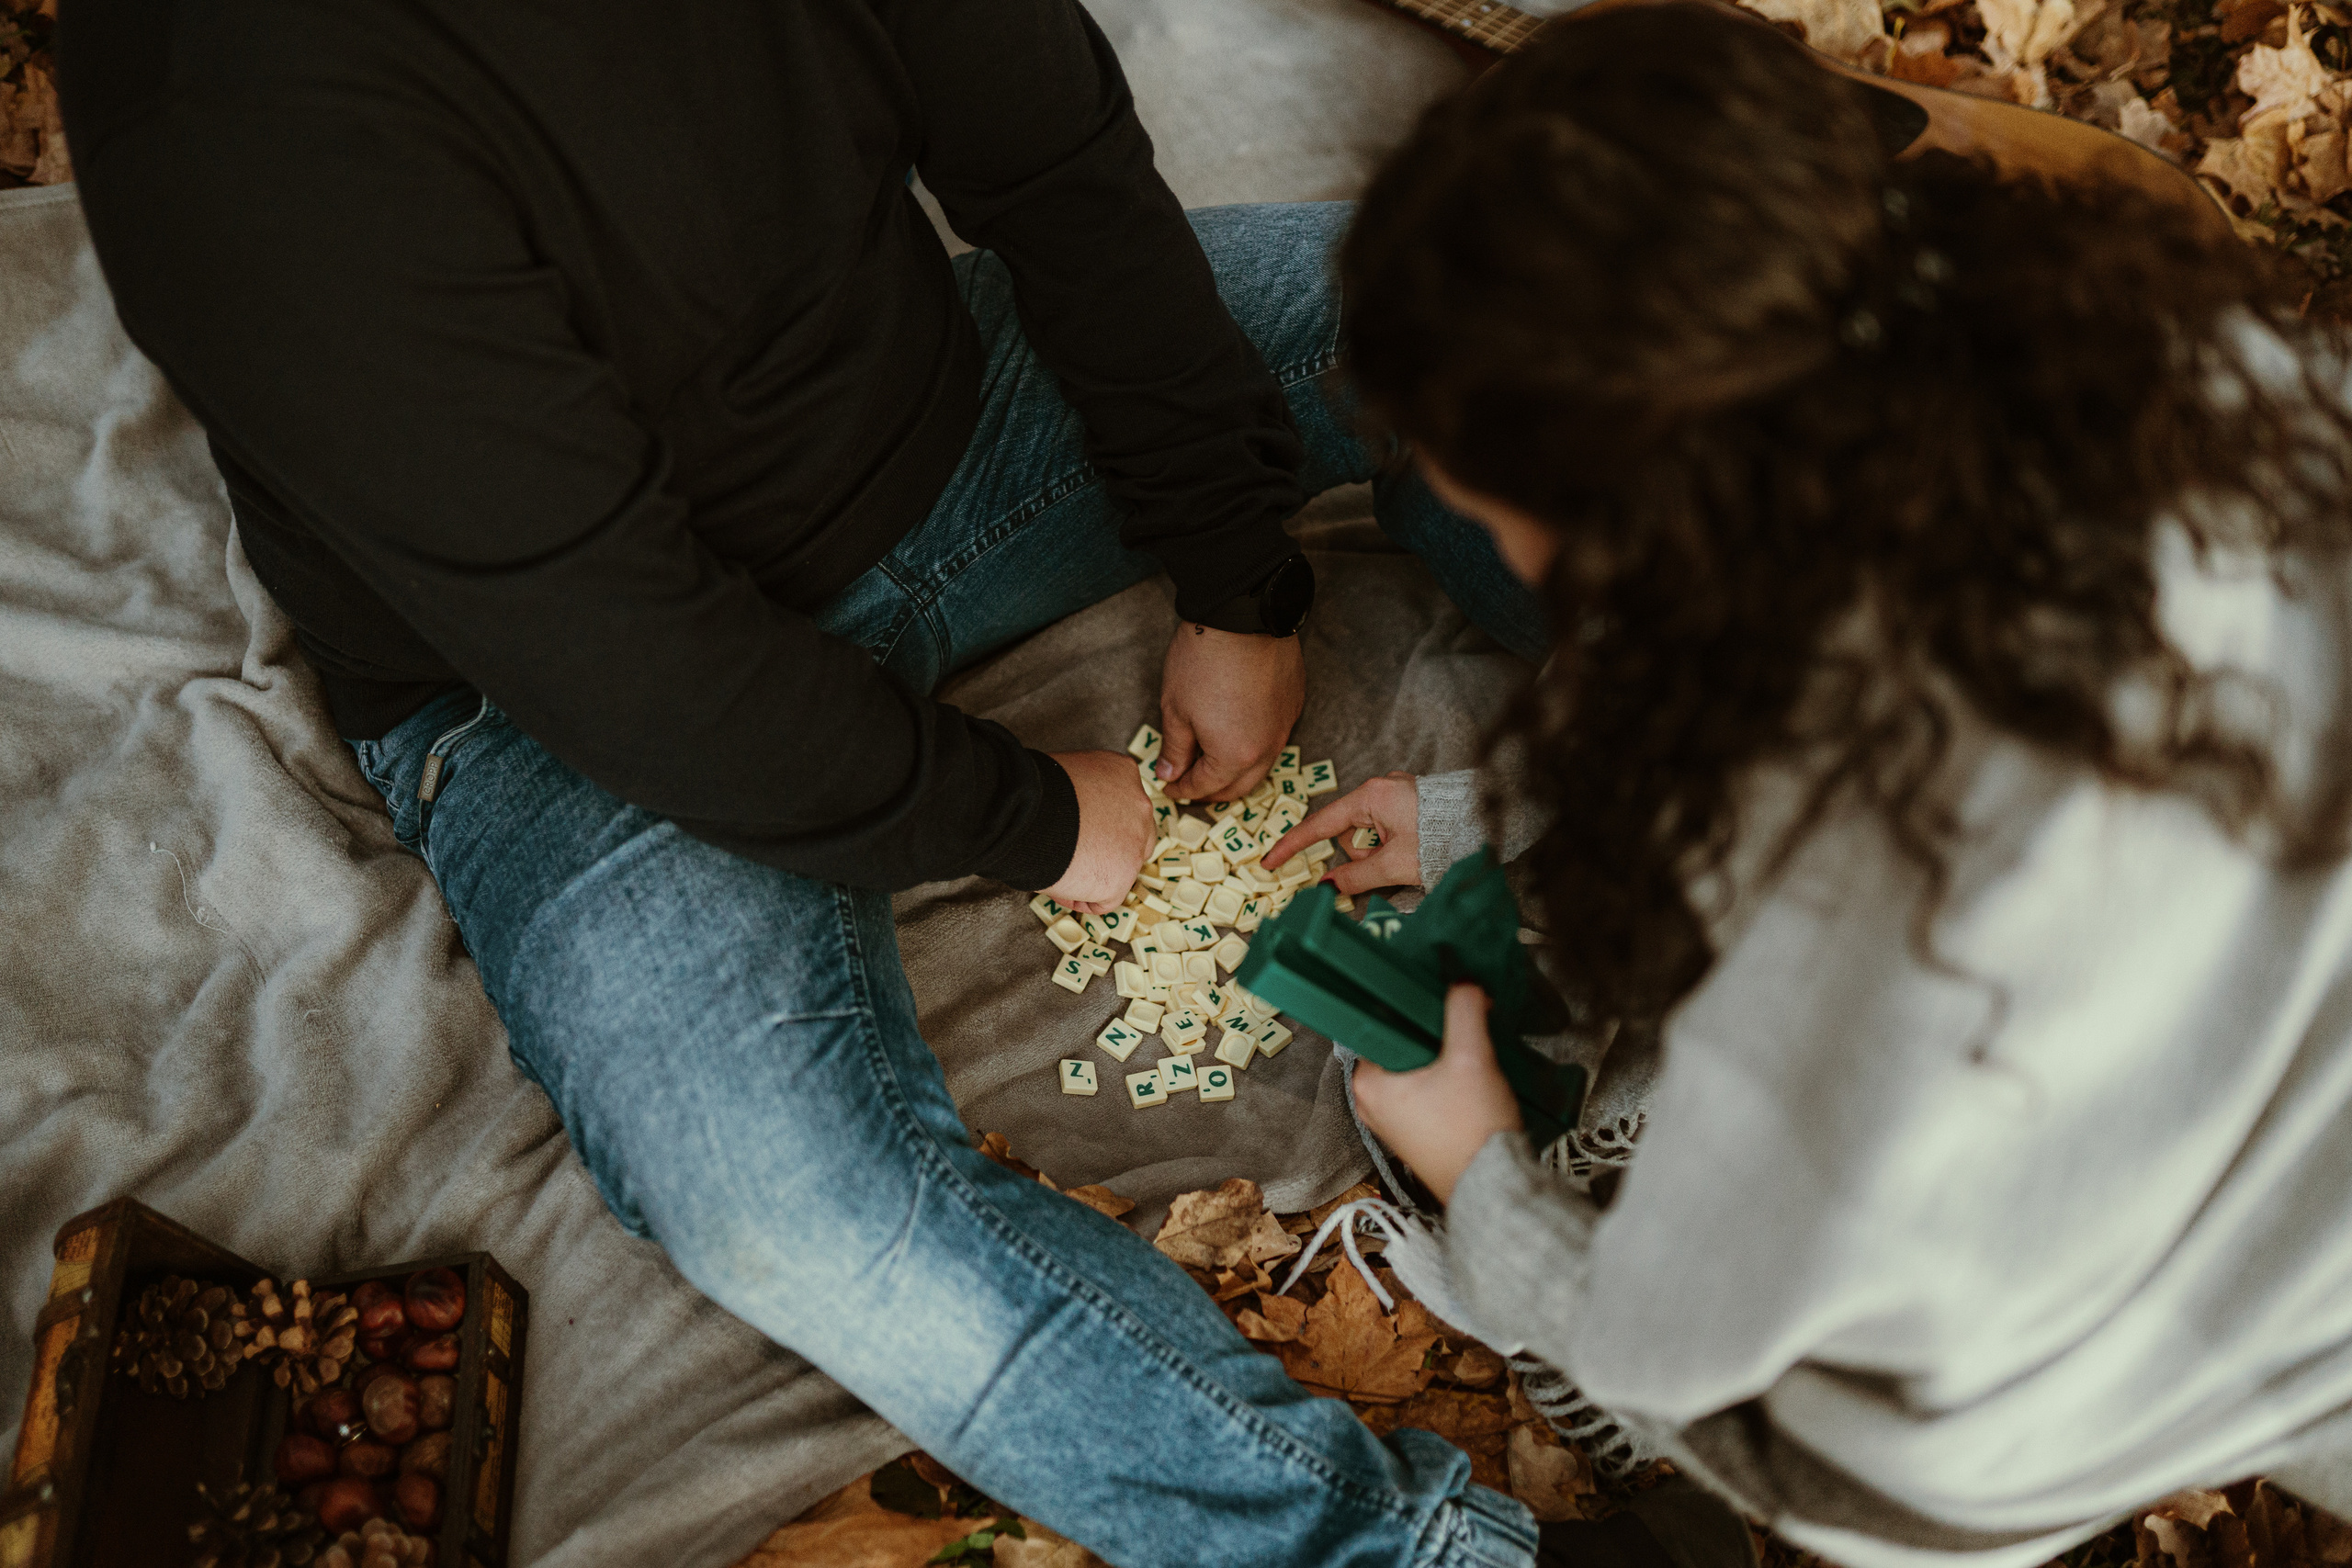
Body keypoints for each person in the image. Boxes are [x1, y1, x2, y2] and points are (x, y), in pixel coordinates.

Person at [52, 1, 1564, 1562]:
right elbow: (623, 656)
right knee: (773, 1199)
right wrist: (1032, 817)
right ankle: (1402, 1555)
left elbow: (1054, 167)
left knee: (1546, 311)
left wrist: (1236, 565)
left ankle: (1754, 838)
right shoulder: (225, 103)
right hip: (543, 690)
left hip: (945, 426)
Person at [1262, 5, 2352, 1566]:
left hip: (2045, 1404)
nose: (1499, 549)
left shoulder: (1851, 924)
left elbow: (1686, 1340)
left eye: (1505, 517)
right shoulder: (2228, 383)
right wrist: (1475, 818)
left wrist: (1483, 1180)